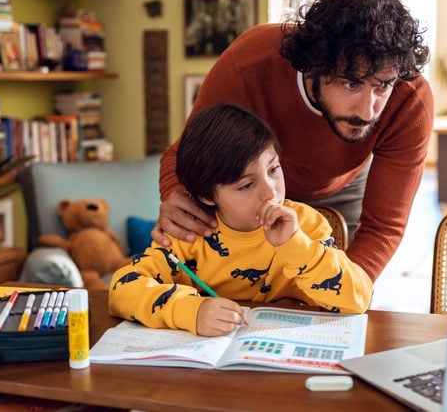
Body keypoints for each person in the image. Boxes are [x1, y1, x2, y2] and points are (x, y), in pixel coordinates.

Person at [155, 0, 433, 282]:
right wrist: (176, 195)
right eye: (350, 83)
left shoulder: (410, 100)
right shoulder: (248, 64)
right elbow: (182, 155)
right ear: (314, 66)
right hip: (251, 189)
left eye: (382, 86)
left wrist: (343, 293)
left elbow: (382, 228)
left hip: (344, 188)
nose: (368, 112)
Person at [109, 104, 372, 337]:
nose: (270, 192)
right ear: (206, 195)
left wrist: (297, 246)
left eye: (273, 169)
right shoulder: (188, 234)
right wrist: (190, 311)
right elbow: (122, 289)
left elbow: (359, 299)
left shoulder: (307, 224)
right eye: (246, 185)